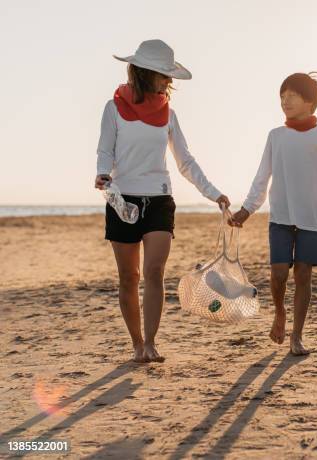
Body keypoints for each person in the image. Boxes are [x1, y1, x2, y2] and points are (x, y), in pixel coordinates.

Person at [94, 39, 230, 363]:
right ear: (145, 73)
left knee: (154, 271)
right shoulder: (113, 108)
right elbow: (105, 150)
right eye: (164, 75)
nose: (169, 81)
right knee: (129, 277)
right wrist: (102, 173)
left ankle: (151, 342)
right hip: (121, 199)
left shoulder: (168, 114)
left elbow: (185, 161)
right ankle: (137, 343)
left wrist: (213, 192)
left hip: (158, 198)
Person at [230, 72, 317, 355]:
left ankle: (297, 335)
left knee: (304, 275)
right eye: (282, 96)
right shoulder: (275, 136)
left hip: (312, 219)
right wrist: (246, 210)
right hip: (280, 216)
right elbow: (262, 177)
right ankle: (280, 312)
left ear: (310, 102)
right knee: (279, 274)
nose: (285, 101)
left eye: (292, 96)